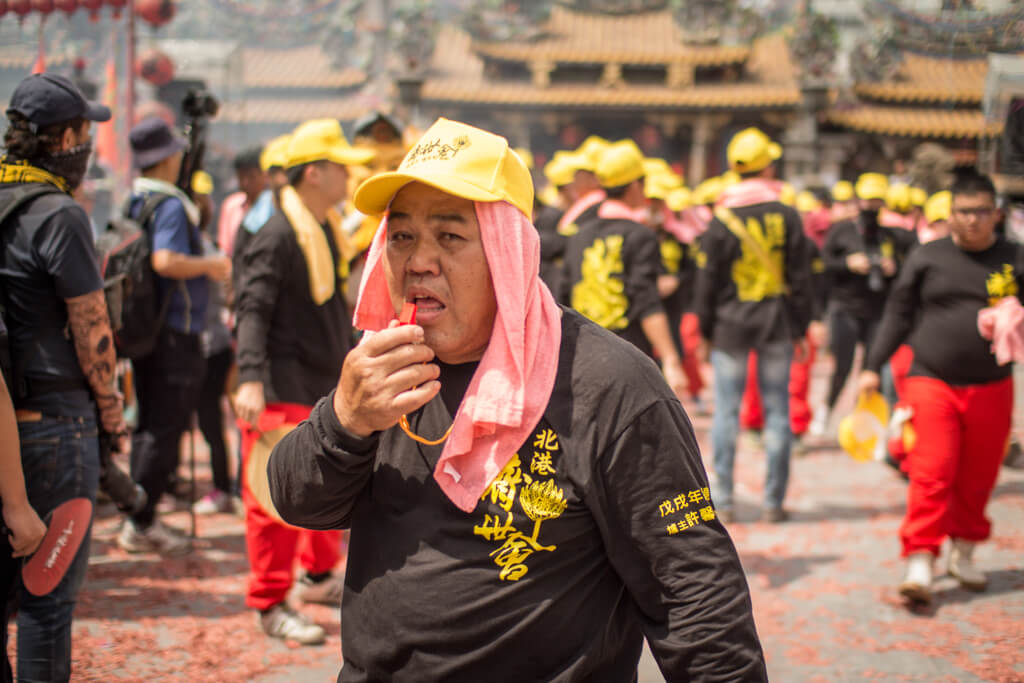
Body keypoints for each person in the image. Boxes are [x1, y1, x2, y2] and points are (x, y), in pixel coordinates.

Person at [266, 117, 766, 681]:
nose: (418, 260)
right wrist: (345, 420)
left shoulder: (607, 386)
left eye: (450, 236)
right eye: (401, 235)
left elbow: (693, 591)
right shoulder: (384, 364)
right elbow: (297, 501)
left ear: (510, 255)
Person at [0, 71, 122, 682]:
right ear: (69, 137)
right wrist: (112, 414)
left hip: (2, 418)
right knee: (46, 603)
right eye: (85, 133)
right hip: (55, 429)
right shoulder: (59, 215)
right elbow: (91, 327)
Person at [233, 118, 373, 645]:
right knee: (270, 498)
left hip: (317, 378)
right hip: (277, 381)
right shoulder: (276, 232)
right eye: (341, 166)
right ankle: (269, 603)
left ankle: (315, 578)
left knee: (323, 482)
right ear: (314, 173)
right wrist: (249, 377)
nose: (349, 175)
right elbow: (251, 307)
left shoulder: (323, 226)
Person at [859, 171, 1021, 604]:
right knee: (932, 470)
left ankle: (963, 552)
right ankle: (920, 559)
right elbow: (896, 313)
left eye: (982, 212)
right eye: (965, 212)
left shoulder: (1014, 257)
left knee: (979, 475)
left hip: (993, 383)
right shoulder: (928, 256)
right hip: (931, 378)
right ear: (950, 215)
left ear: (997, 214)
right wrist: (872, 366)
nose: (973, 220)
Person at [118, 117, 231, 555]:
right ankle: (141, 521)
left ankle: (139, 512)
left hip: (148, 331)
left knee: (149, 425)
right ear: (167, 158)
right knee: (164, 429)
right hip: (175, 332)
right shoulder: (169, 205)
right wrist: (211, 265)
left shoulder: (136, 200)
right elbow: (166, 260)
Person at [692, 128, 812, 523]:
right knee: (777, 410)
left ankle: (723, 501)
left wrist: (705, 331)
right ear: (769, 166)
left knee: (726, 412)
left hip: (729, 326)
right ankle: (773, 502)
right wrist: (801, 328)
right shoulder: (788, 214)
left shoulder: (720, 219)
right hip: (776, 324)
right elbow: (801, 277)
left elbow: (707, 282)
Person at [810, 173, 917, 437]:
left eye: (877, 201)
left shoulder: (890, 235)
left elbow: (915, 260)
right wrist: (848, 264)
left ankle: (866, 425)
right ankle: (825, 411)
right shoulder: (842, 230)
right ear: (858, 201)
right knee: (842, 367)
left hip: (878, 311)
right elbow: (822, 267)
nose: (871, 207)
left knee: (873, 368)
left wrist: (895, 267)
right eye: (867, 201)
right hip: (845, 308)